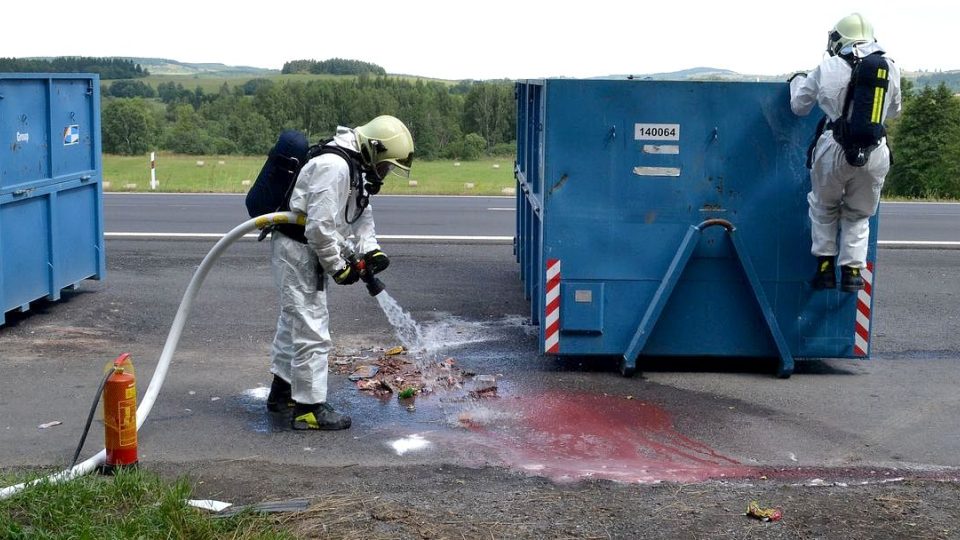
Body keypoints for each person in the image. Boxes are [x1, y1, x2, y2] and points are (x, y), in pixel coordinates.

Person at [265, 115, 414, 430]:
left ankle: (283, 394)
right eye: (386, 164)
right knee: (312, 331)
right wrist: (339, 268)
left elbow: (360, 210)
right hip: (299, 252)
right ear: (375, 148)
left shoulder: (353, 164)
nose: (385, 171)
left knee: (295, 323)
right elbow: (320, 229)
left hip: (306, 251)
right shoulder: (335, 167)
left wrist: (370, 249)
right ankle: (309, 409)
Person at [789, 13, 901, 292]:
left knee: (823, 207)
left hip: (834, 147)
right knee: (859, 213)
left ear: (839, 39)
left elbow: (799, 106)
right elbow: (895, 111)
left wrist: (797, 80)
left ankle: (825, 268)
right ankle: (852, 271)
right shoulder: (889, 67)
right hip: (874, 151)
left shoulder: (827, 67)